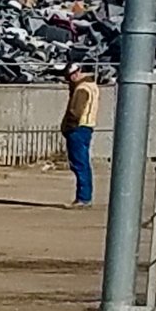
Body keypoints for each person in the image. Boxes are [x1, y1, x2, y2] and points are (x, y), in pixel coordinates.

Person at [62, 64, 100, 206]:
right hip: (87, 127)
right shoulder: (92, 86)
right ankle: (84, 196)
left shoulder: (82, 89)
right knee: (83, 162)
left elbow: (75, 112)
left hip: (78, 128)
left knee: (79, 163)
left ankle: (83, 197)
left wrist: (67, 128)